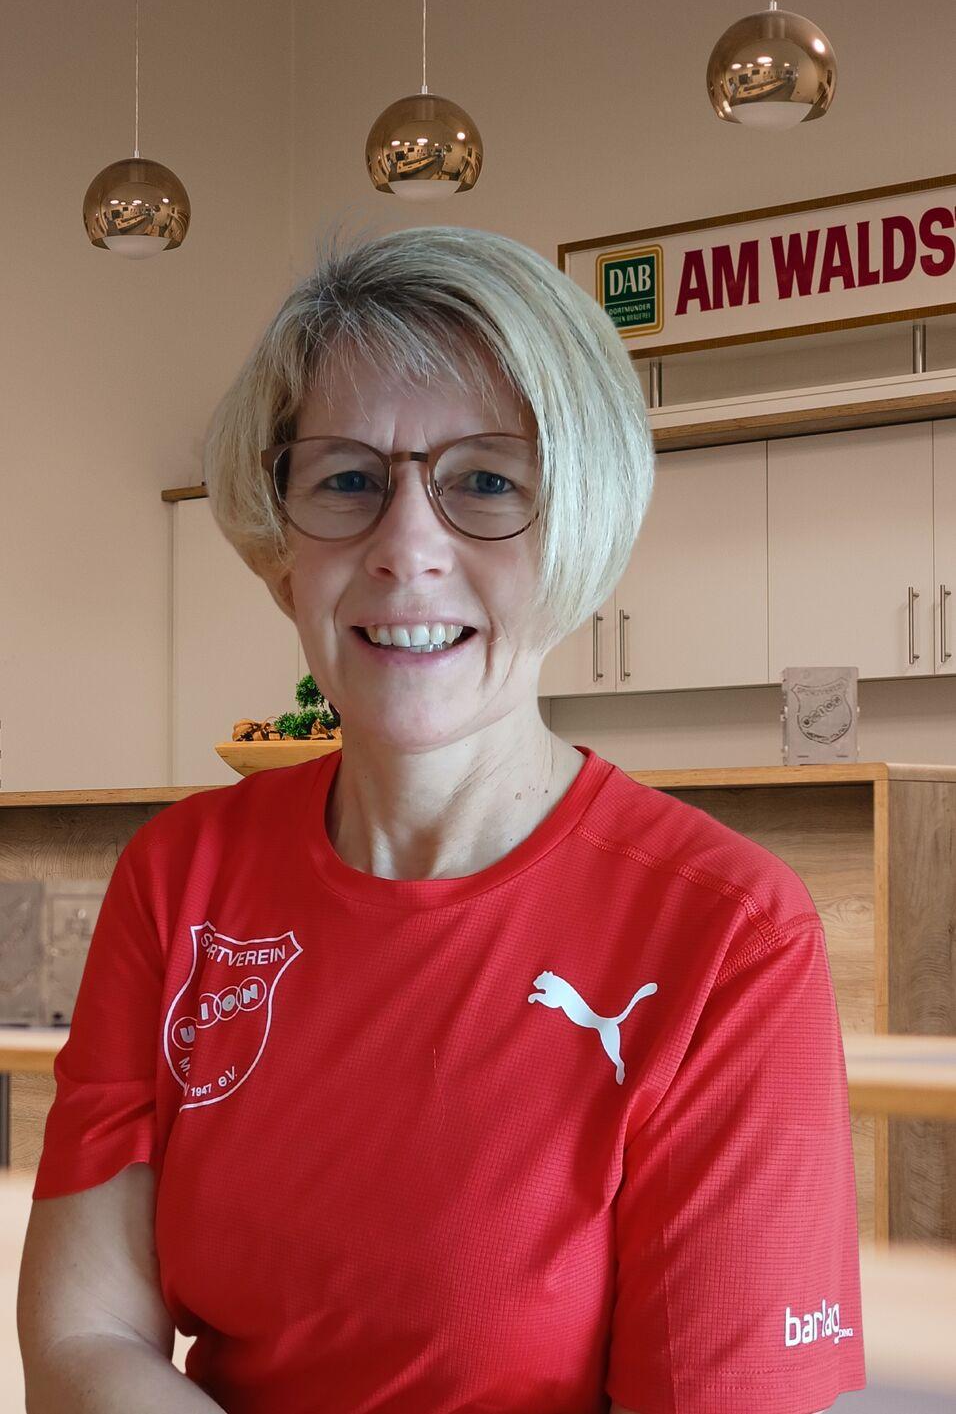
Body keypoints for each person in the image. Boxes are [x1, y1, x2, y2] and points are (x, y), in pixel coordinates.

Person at [18, 224, 866, 1414]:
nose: (405, 547)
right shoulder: (179, 877)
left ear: (575, 532)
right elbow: (84, 1333)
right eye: (348, 479)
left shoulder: (728, 933)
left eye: (484, 481)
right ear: (278, 548)